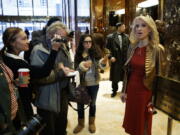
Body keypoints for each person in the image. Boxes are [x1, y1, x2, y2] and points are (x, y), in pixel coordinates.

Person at [1, 27, 61, 129]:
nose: (28, 41)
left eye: (27, 38)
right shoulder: (16, 63)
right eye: (24, 39)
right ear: (12, 43)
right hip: (21, 106)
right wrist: (54, 50)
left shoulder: (6, 56)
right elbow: (44, 72)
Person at [120, 15, 167, 135]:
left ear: (150, 28)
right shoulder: (132, 47)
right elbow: (127, 71)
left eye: (143, 25)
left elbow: (161, 77)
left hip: (145, 92)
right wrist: (124, 90)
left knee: (143, 122)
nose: (139, 29)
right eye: (136, 26)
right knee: (132, 121)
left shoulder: (157, 49)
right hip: (132, 89)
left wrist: (157, 101)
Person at [30, 22, 73, 135]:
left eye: (64, 38)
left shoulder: (63, 47)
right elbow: (39, 78)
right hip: (47, 97)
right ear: (50, 35)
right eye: (61, 37)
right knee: (49, 130)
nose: (64, 41)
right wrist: (60, 73)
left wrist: (69, 70)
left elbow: (68, 66)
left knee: (61, 127)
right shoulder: (38, 51)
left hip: (63, 93)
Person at [73, 34, 108, 134]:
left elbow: (101, 66)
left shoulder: (96, 52)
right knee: (80, 104)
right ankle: (80, 123)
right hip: (82, 83)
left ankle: (91, 123)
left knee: (92, 103)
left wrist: (104, 62)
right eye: (86, 42)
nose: (88, 44)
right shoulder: (78, 54)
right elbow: (75, 68)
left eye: (90, 42)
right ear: (82, 43)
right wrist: (82, 66)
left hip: (94, 82)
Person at [106, 22, 130, 97]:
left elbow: (130, 49)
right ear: (118, 27)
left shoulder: (127, 37)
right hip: (115, 60)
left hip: (125, 60)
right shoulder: (110, 37)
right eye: (123, 27)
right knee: (115, 78)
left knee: (125, 76)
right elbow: (107, 49)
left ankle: (125, 90)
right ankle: (114, 91)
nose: (124, 28)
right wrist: (110, 57)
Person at [0, 55, 18, 135]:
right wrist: (2, 122)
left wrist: (14, 83)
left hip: (13, 116)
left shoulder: (1, 60)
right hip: (4, 123)